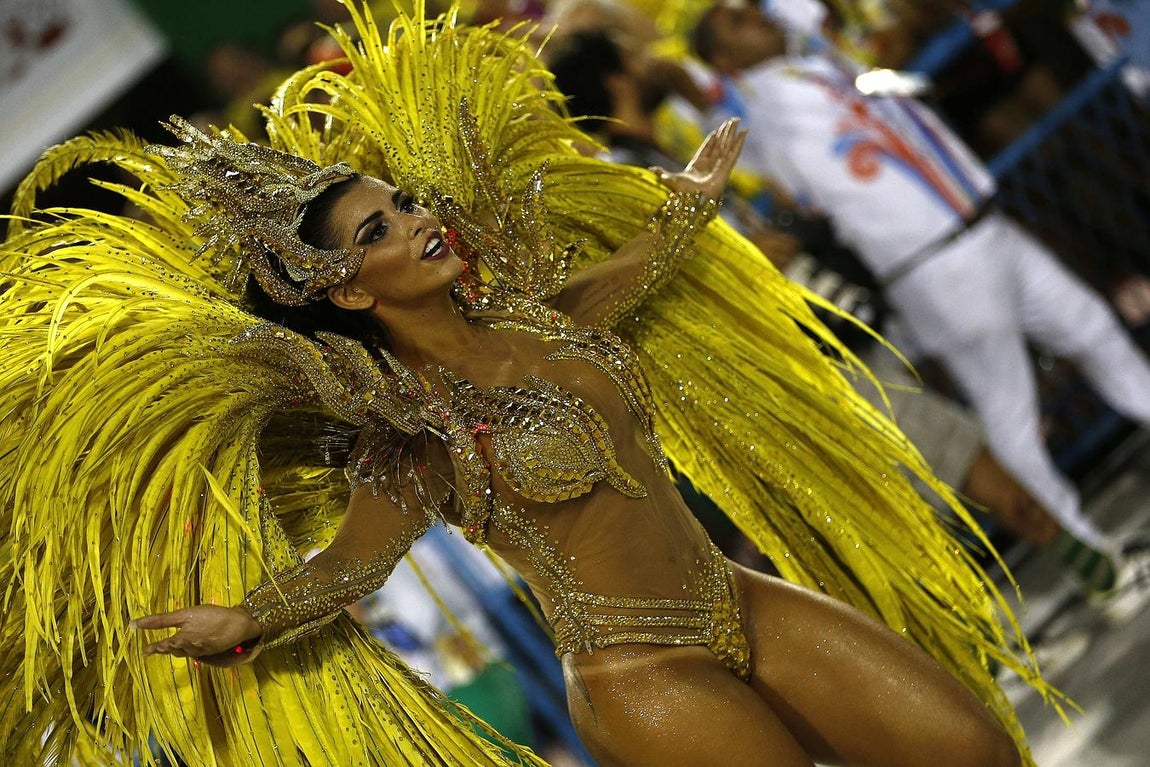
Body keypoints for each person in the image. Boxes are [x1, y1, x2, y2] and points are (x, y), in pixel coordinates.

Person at [1, 5, 1056, 765]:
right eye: (378, 231)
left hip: (737, 598)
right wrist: (242, 618)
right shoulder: (412, 430)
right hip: (642, 678)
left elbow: (629, 273)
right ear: (351, 291)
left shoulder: (536, 314)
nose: (418, 221)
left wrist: (686, 203)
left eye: (404, 203)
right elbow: (348, 565)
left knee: (969, 747)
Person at [690, 0, 1150, 584]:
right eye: (737, 22)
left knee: (1094, 330)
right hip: (932, 265)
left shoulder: (810, 67)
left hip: (981, 221)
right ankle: (1092, 555)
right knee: (1009, 407)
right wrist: (694, 85)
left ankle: (1096, 541)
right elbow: (727, 119)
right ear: (725, 61)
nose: (757, 17)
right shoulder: (761, 111)